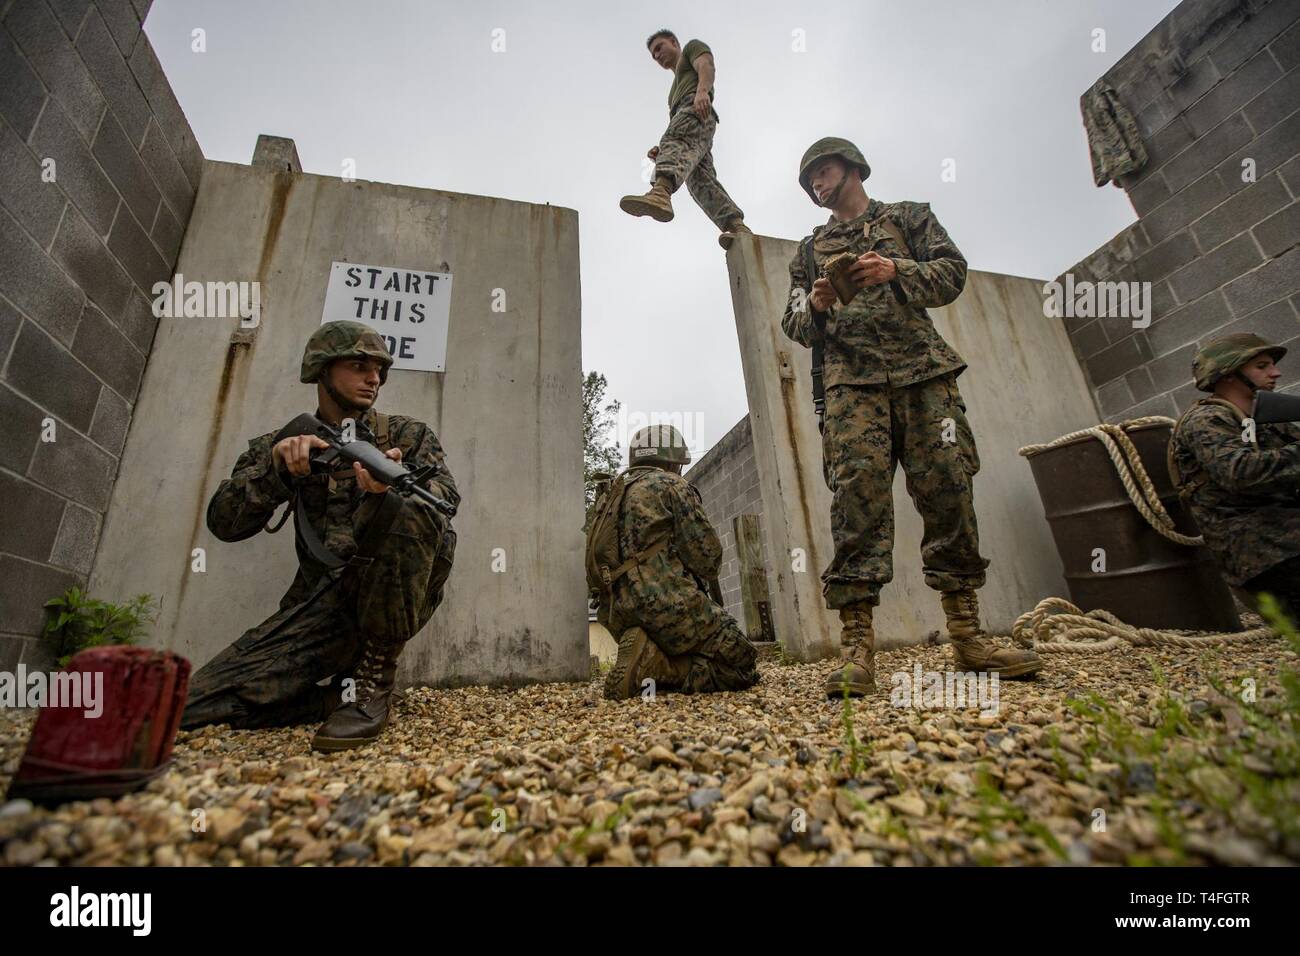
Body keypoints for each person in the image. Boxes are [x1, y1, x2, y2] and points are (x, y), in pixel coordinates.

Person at [781, 136, 1042, 698]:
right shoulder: (808, 252)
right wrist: (819, 303)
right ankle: (856, 649)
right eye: (810, 182)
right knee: (856, 502)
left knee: (949, 488)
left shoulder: (909, 217)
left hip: (925, 375)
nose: (817, 186)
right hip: (852, 387)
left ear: (851, 169)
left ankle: (969, 636)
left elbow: (952, 274)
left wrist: (894, 269)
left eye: (822, 174)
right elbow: (795, 323)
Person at [181, 321, 459, 750]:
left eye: (381, 371)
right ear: (322, 370)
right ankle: (331, 699)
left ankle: (373, 679)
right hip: (317, 608)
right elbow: (224, 522)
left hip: (388, 597)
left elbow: (445, 499)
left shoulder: (406, 435)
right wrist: (274, 472)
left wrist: (389, 489)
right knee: (193, 706)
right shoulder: (282, 442)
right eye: (359, 365)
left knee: (412, 503)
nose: (374, 378)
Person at [588, 425, 759, 698]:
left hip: (616, 613)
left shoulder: (610, 495)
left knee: (687, 639)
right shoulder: (671, 485)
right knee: (742, 662)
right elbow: (708, 561)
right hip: (667, 607)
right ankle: (656, 668)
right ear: (672, 462)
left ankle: (649, 653)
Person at [1169, 333, 1300, 618]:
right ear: (1229, 374)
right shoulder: (1205, 421)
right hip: (1265, 554)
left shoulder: (1262, 420)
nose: (1275, 372)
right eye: (1262, 366)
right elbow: (1240, 473)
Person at [619, 29, 751, 250]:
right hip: (691, 116)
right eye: (653, 55)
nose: (657, 56)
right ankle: (737, 228)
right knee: (701, 181)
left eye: (659, 48)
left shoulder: (692, 48)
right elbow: (679, 136)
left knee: (676, 140)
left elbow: (706, 65)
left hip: (697, 106)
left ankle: (660, 193)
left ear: (673, 42)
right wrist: (661, 150)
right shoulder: (673, 92)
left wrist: (702, 92)